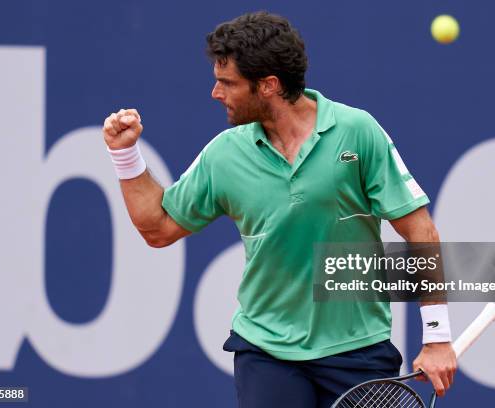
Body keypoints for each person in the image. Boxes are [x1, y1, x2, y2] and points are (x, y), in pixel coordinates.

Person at [102, 11, 456, 408]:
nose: (216, 94)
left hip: (358, 350)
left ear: (268, 85)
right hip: (266, 351)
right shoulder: (225, 154)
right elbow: (159, 227)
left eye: (227, 83)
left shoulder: (359, 132)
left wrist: (437, 336)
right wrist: (125, 156)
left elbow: (421, 233)